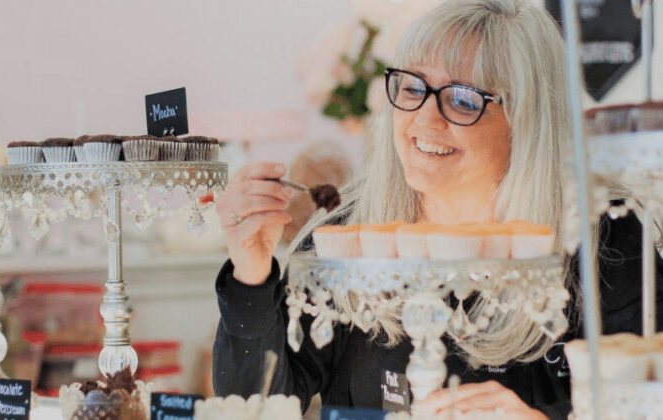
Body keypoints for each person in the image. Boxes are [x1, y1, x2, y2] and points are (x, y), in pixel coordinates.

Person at [212, 0, 663, 418]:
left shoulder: (609, 238)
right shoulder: (349, 234)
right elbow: (257, 405)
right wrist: (250, 269)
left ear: (527, 118)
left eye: (464, 99)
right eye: (413, 88)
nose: (425, 120)